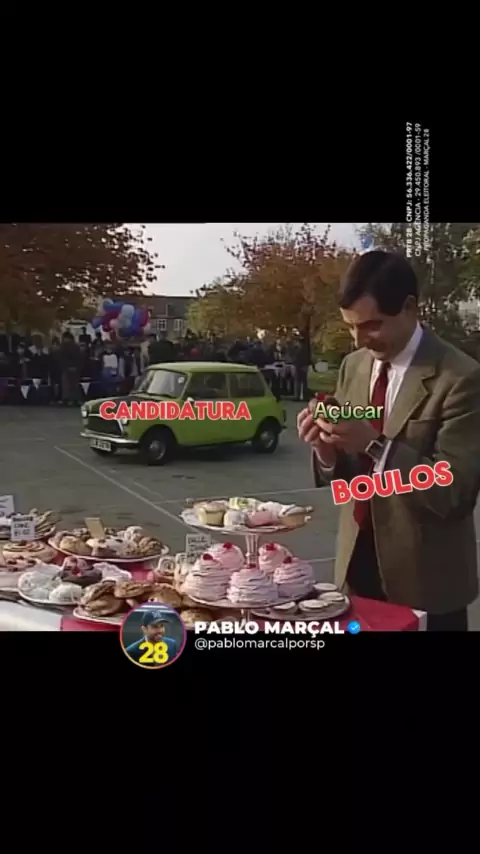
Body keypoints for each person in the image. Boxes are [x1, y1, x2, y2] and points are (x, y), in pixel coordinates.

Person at [297, 250, 480, 631]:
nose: (359, 339)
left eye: (372, 325)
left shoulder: (460, 378)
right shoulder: (354, 366)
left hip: (425, 582)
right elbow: (350, 471)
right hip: (355, 570)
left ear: (410, 308)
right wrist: (326, 449)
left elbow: (455, 492)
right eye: (351, 326)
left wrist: (375, 445)